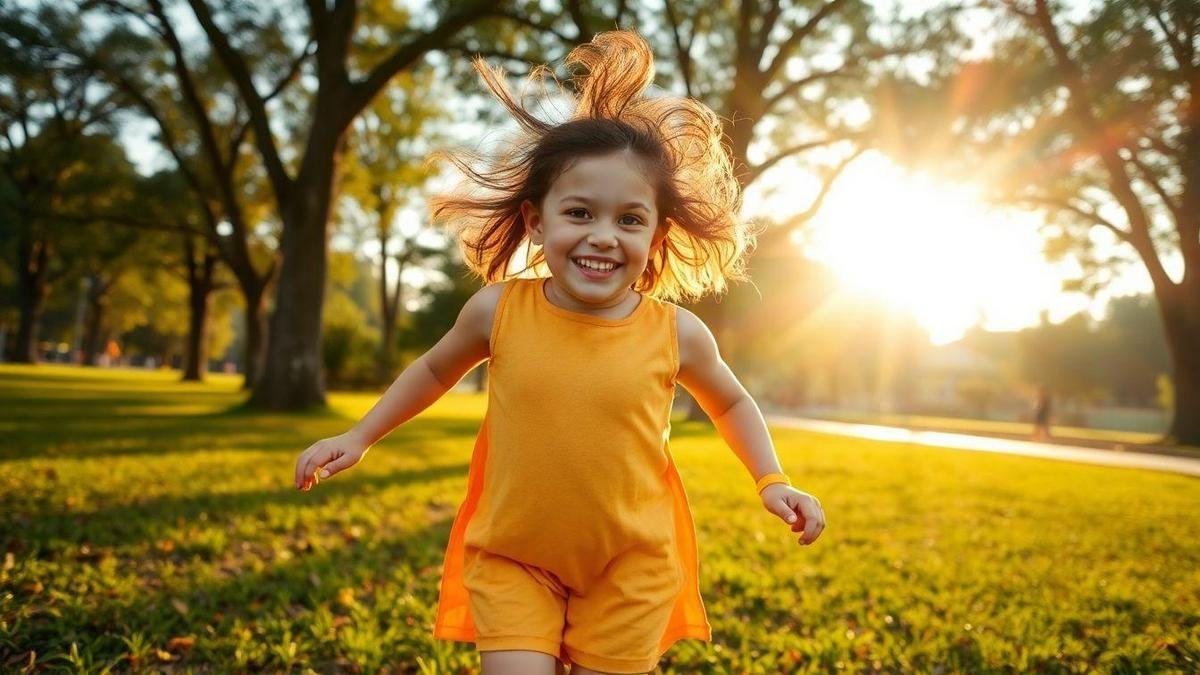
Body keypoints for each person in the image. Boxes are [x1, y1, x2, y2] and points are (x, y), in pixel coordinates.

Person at [293, 30, 826, 675]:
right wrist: (362, 435)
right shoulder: (498, 310)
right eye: (579, 212)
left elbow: (732, 402)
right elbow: (434, 370)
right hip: (514, 554)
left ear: (656, 238)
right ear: (536, 222)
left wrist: (772, 481)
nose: (603, 236)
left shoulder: (677, 333)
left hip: (631, 564)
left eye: (630, 219)